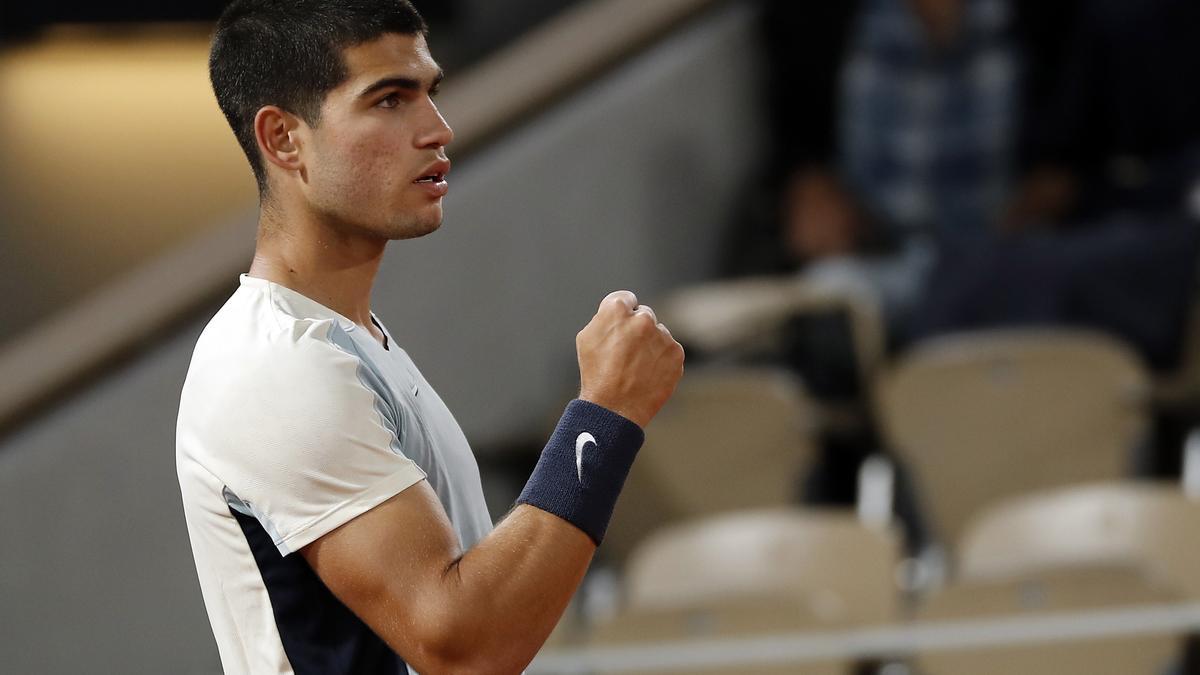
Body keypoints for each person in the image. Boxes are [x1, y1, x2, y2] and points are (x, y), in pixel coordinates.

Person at [175, 2, 685, 674]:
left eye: (430, 94)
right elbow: (463, 642)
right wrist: (605, 416)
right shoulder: (278, 365)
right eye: (389, 100)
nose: (438, 129)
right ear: (283, 140)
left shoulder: (344, 342)